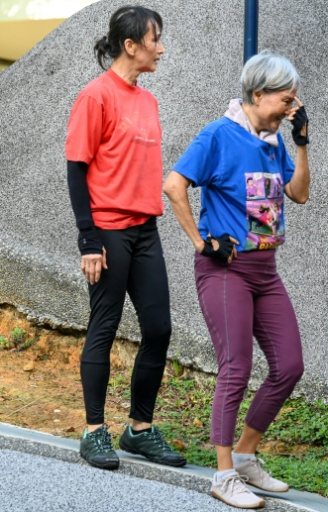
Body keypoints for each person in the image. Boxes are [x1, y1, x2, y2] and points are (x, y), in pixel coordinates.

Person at [163, 50, 310, 509]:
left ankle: (245, 456)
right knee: (236, 368)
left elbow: (299, 194)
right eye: (284, 101)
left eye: (292, 103)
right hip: (225, 271)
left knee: (289, 367)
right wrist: (200, 241)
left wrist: (301, 141)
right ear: (257, 93)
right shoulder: (218, 134)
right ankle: (223, 474)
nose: (290, 108)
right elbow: (173, 184)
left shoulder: (273, 141)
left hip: (266, 270)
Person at [65, 5, 186, 470]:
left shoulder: (148, 101)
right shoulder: (96, 96)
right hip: (108, 231)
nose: (160, 47)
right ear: (130, 45)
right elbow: (77, 168)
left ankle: (139, 429)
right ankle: (94, 431)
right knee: (104, 326)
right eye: (154, 39)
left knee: (158, 329)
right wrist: (87, 239)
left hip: (145, 229)